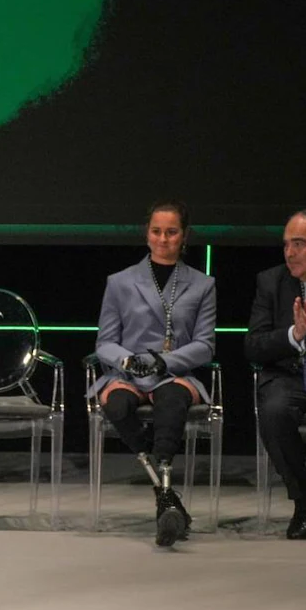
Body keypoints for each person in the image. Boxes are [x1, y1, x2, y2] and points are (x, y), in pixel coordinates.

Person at [88, 201, 216, 547]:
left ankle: (165, 494)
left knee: (172, 404)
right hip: (129, 372)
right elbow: (105, 342)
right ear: (147, 234)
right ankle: (166, 496)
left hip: (172, 374)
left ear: (183, 236)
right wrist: (129, 362)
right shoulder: (120, 282)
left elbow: (205, 345)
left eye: (171, 232)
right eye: (157, 231)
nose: (163, 239)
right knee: (116, 406)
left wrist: (165, 363)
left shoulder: (203, 285)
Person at [246, 208, 306, 539]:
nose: (290, 252)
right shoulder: (271, 281)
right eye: (287, 244)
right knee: (273, 411)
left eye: (300, 243)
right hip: (291, 376)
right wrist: (294, 335)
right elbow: (254, 346)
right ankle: (304, 503)